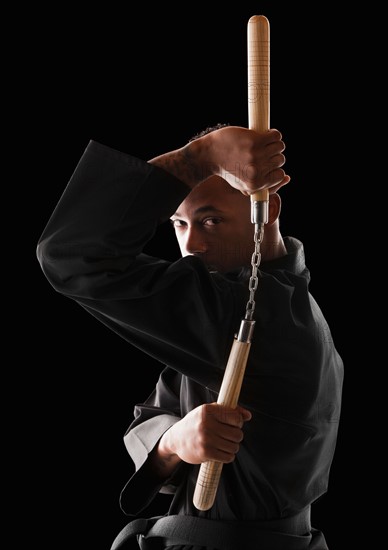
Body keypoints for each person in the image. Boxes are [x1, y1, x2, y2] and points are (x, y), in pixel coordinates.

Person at [36, 124, 344, 550]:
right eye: (178, 224)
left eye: (210, 220)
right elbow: (147, 417)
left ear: (266, 209)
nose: (191, 244)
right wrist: (172, 443)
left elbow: (71, 254)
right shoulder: (272, 306)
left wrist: (199, 158)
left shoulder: (259, 315)